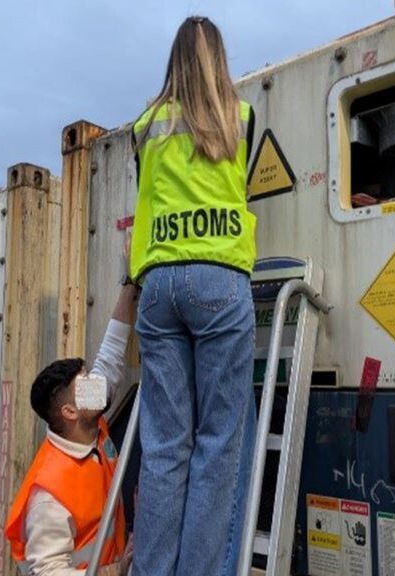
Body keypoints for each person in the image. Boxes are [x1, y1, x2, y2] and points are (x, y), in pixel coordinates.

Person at [129, 16, 258, 576]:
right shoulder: (242, 115)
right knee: (219, 444)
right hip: (218, 282)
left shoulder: (146, 125)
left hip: (157, 287)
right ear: (219, 59)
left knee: (164, 446)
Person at [5, 284, 139, 576]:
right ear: (70, 411)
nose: (97, 385)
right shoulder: (50, 493)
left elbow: (111, 356)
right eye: (88, 383)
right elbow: (49, 573)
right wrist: (115, 571)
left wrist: (130, 286)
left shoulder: (90, 426)